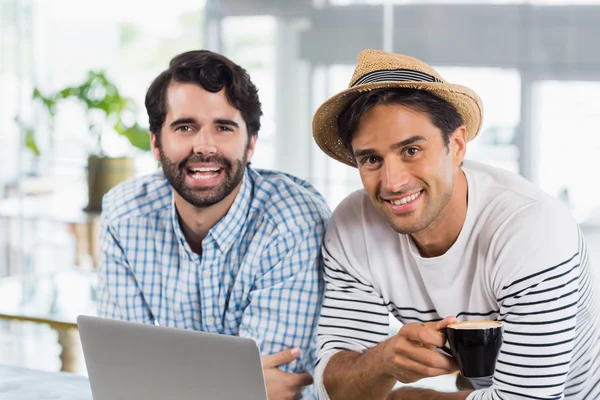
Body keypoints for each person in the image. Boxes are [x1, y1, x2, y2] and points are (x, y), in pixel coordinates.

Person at [311, 49, 600, 399]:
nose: (392, 182)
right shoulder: (352, 225)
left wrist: (415, 397)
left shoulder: (532, 229)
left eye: (411, 150)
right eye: (372, 159)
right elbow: (335, 389)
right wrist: (384, 361)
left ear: (458, 144)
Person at [97, 49, 331, 400]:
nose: (204, 147)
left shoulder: (293, 222)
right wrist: (236, 385)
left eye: (223, 127)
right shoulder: (124, 215)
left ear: (250, 144)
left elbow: (279, 386)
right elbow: (124, 377)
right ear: (157, 144)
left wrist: (165, 381)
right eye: (185, 126)